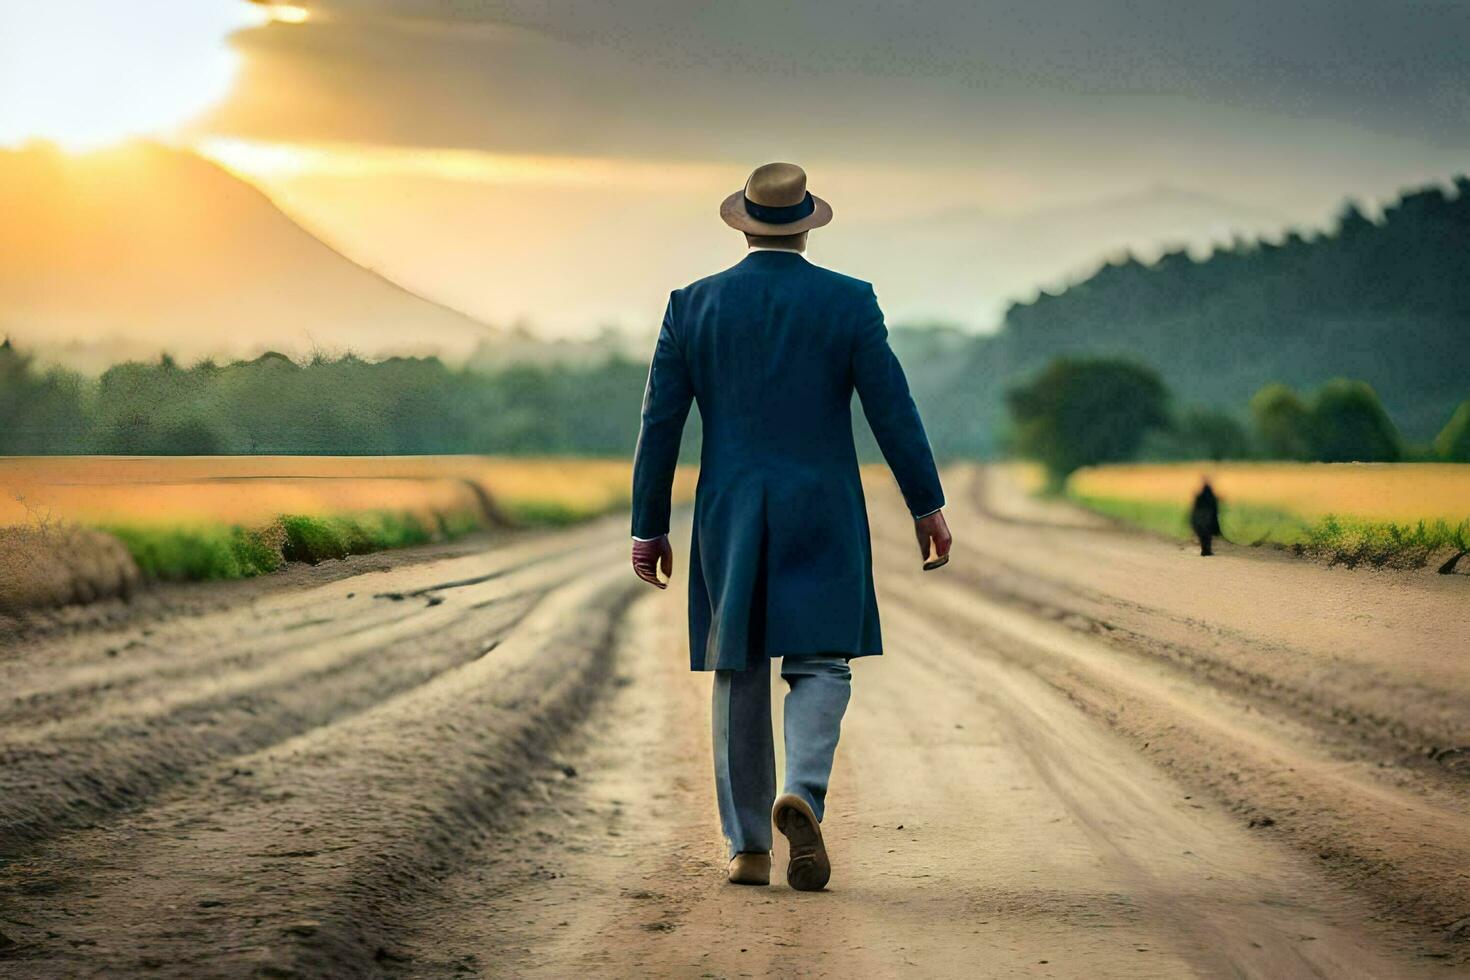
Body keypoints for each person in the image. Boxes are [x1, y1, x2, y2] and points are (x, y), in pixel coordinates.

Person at [629, 162, 952, 891]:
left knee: (737, 669)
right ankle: (802, 792)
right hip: (824, 505)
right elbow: (891, 410)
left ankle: (747, 847)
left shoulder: (692, 306)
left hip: (730, 510)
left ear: (742, 224)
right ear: (807, 225)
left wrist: (648, 526)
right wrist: (925, 503)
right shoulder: (850, 302)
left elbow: (660, 423)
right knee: (822, 663)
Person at [1191, 479, 1222, 556]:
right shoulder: (1212, 498)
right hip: (1208, 520)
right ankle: (1207, 551)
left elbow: (1194, 509)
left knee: (1202, 537)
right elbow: (1215, 508)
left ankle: (1204, 550)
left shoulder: (1198, 497)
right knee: (1208, 537)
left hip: (1199, 520)